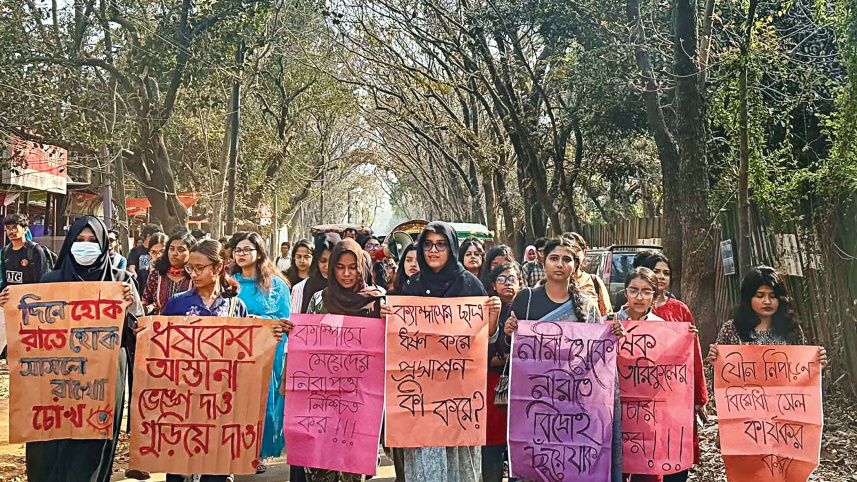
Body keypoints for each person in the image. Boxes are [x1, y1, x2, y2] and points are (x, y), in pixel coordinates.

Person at [0, 216, 143, 482]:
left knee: (91, 445)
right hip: (53, 380)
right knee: (50, 443)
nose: (85, 246)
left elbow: (138, 331)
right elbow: (28, 328)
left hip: (103, 380)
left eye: (92, 241)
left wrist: (130, 305)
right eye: (79, 240)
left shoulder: (121, 282)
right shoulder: (49, 281)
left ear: (104, 247)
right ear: (69, 244)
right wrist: (8, 303)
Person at [504, 237, 622, 482]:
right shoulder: (525, 299)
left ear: (575, 266)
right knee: (537, 460)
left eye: (566, 259)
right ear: (543, 261)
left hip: (574, 402)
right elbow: (511, 349)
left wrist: (613, 335)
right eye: (554, 258)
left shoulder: (587, 306)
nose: (559, 264)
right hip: (534, 401)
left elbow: (596, 354)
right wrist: (509, 331)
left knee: (569, 462)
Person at [391, 221, 502, 482]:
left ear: (451, 248)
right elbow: (401, 342)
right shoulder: (413, 287)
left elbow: (485, 341)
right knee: (426, 464)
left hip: (459, 399)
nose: (433, 250)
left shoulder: (471, 286)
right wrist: (390, 318)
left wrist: (493, 317)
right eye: (428, 244)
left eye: (441, 244)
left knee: (459, 463)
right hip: (421, 396)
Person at [160, 239, 249, 482]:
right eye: (190, 268)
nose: (194, 273)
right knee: (179, 463)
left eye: (200, 268)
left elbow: (246, 352)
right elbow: (160, 347)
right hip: (183, 397)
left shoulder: (235, 306)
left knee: (217, 466)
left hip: (221, 399)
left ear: (218, 267)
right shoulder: (177, 303)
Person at [640, 253, 706, 482]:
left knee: (675, 452)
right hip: (641, 401)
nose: (661, 277)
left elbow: (694, 356)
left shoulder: (680, 310)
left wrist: (699, 398)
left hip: (676, 397)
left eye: (666, 273)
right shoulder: (628, 312)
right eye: (656, 271)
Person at [229, 232, 291, 473]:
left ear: (259, 253)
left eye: (247, 249)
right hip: (233, 353)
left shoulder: (276, 284)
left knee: (261, 402)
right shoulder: (227, 282)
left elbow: (286, 319)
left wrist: (261, 321)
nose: (241, 254)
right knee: (235, 402)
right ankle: (233, 452)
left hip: (266, 352)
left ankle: (257, 453)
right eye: (238, 249)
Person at [708, 266, 828, 359]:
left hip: (784, 391)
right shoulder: (732, 329)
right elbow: (721, 377)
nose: (767, 301)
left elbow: (803, 370)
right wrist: (714, 358)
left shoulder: (791, 328)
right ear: (748, 298)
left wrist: (816, 364)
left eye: (772, 296)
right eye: (760, 296)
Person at [482, 261, 522, 482]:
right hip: (493, 390)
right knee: (493, 448)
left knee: (519, 446)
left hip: (522, 390)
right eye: (502, 280)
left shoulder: (528, 308)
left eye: (512, 279)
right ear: (493, 284)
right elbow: (483, 352)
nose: (508, 284)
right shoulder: (486, 309)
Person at [142, 232, 196, 315]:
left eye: (180, 250)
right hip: (160, 325)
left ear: (191, 252)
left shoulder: (196, 275)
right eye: (171, 249)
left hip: (189, 325)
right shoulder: (156, 274)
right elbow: (146, 300)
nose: (174, 253)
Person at [0, 213, 51, 290]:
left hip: (31, 297)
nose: (11, 231)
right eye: (8, 228)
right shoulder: (5, 251)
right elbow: (4, 281)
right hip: (11, 297)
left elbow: (42, 280)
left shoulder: (35, 250)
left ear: (25, 229)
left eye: (15, 227)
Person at [566, 232, 612, 316]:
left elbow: (606, 315)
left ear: (584, 252)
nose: (573, 254)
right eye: (569, 250)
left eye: (577, 249)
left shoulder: (594, 281)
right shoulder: (551, 284)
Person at [294, 233, 340, 314]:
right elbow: (294, 321)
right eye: (323, 261)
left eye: (332, 261)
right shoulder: (301, 288)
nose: (327, 267)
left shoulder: (347, 288)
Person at [127, 223, 162, 290]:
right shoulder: (136, 251)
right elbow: (131, 267)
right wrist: (134, 275)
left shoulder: (159, 250)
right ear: (148, 236)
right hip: (141, 285)